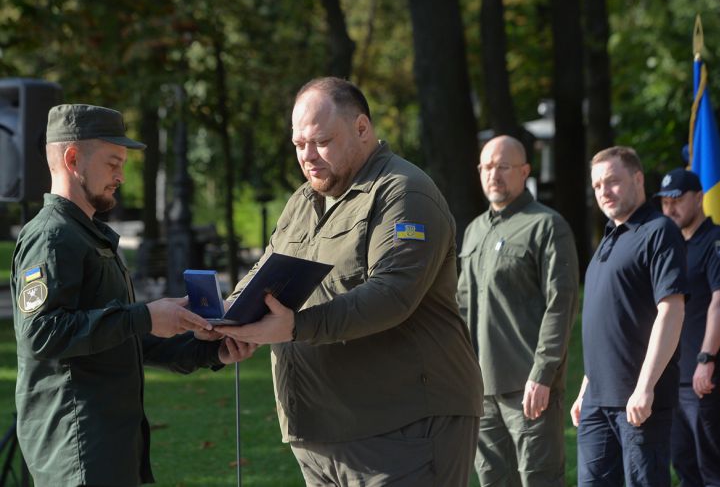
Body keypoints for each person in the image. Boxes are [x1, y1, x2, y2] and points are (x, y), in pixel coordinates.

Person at [216, 77, 484, 486]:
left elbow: (391, 295)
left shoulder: (403, 192)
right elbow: (263, 275)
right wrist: (228, 318)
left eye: (321, 141)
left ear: (362, 129)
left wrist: (295, 327)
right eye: (298, 145)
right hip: (319, 431)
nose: (307, 156)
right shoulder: (303, 202)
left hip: (401, 427)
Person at [11, 104, 255, 487]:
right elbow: (41, 334)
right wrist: (143, 316)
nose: (121, 176)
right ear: (73, 159)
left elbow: (126, 339)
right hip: (76, 449)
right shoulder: (53, 236)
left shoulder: (87, 234)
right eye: (113, 163)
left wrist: (210, 350)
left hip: (108, 444)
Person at [457, 135, 578, 487]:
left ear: (524, 171)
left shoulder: (547, 225)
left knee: (538, 480)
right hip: (480, 387)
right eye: (486, 166)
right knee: (493, 479)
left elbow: (562, 304)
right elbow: (462, 307)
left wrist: (542, 374)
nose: (493, 174)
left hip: (530, 388)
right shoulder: (474, 231)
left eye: (503, 166)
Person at [571, 146, 687, 487]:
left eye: (612, 181)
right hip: (596, 401)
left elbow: (672, 309)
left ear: (637, 179)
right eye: (596, 186)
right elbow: (607, 325)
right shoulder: (608, 239)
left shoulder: (658, 231)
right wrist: (584, 389)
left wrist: (645, 387)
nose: (604, 191)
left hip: (638, 402)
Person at [655, 167, 720, 486]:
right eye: (664, 201)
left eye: (676, 198)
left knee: (715, 469)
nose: (669, 207)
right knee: (684, 465)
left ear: (700, 198)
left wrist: (706, 359)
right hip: (673, 379)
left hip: (705, 380)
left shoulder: (719, 242)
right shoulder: (670, 246)